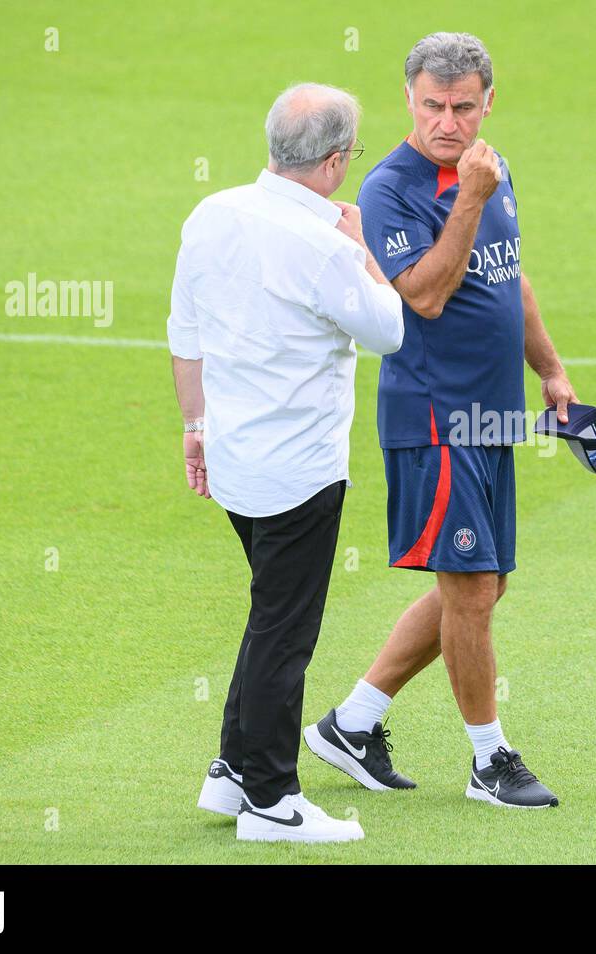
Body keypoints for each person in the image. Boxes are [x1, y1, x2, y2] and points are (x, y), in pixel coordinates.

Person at [304, 33, 577, 809]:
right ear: (409, 101)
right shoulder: (392, 187)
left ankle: (352, 723)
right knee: (471, 587)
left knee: (484, 587)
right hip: (435, 415)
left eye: (463, 107)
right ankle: (491, 762)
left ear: (489, 102)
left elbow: (509, 277)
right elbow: (423, 294)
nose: (447, 123)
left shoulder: (490, 168)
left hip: (492, 415)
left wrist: (550, 370)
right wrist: (470, 199)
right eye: (433, 106)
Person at [168, 83, 404, 842]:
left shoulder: (210, 214)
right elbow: (389, 328)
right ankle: (272, 801)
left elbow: (184, 333)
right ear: (334, 162)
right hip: (299, 472)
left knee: (268, 611)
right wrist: (363, 246)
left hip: (233, 458)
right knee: (284, 631)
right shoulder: (328, 246)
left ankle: (233, 772)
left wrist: (195, 428)